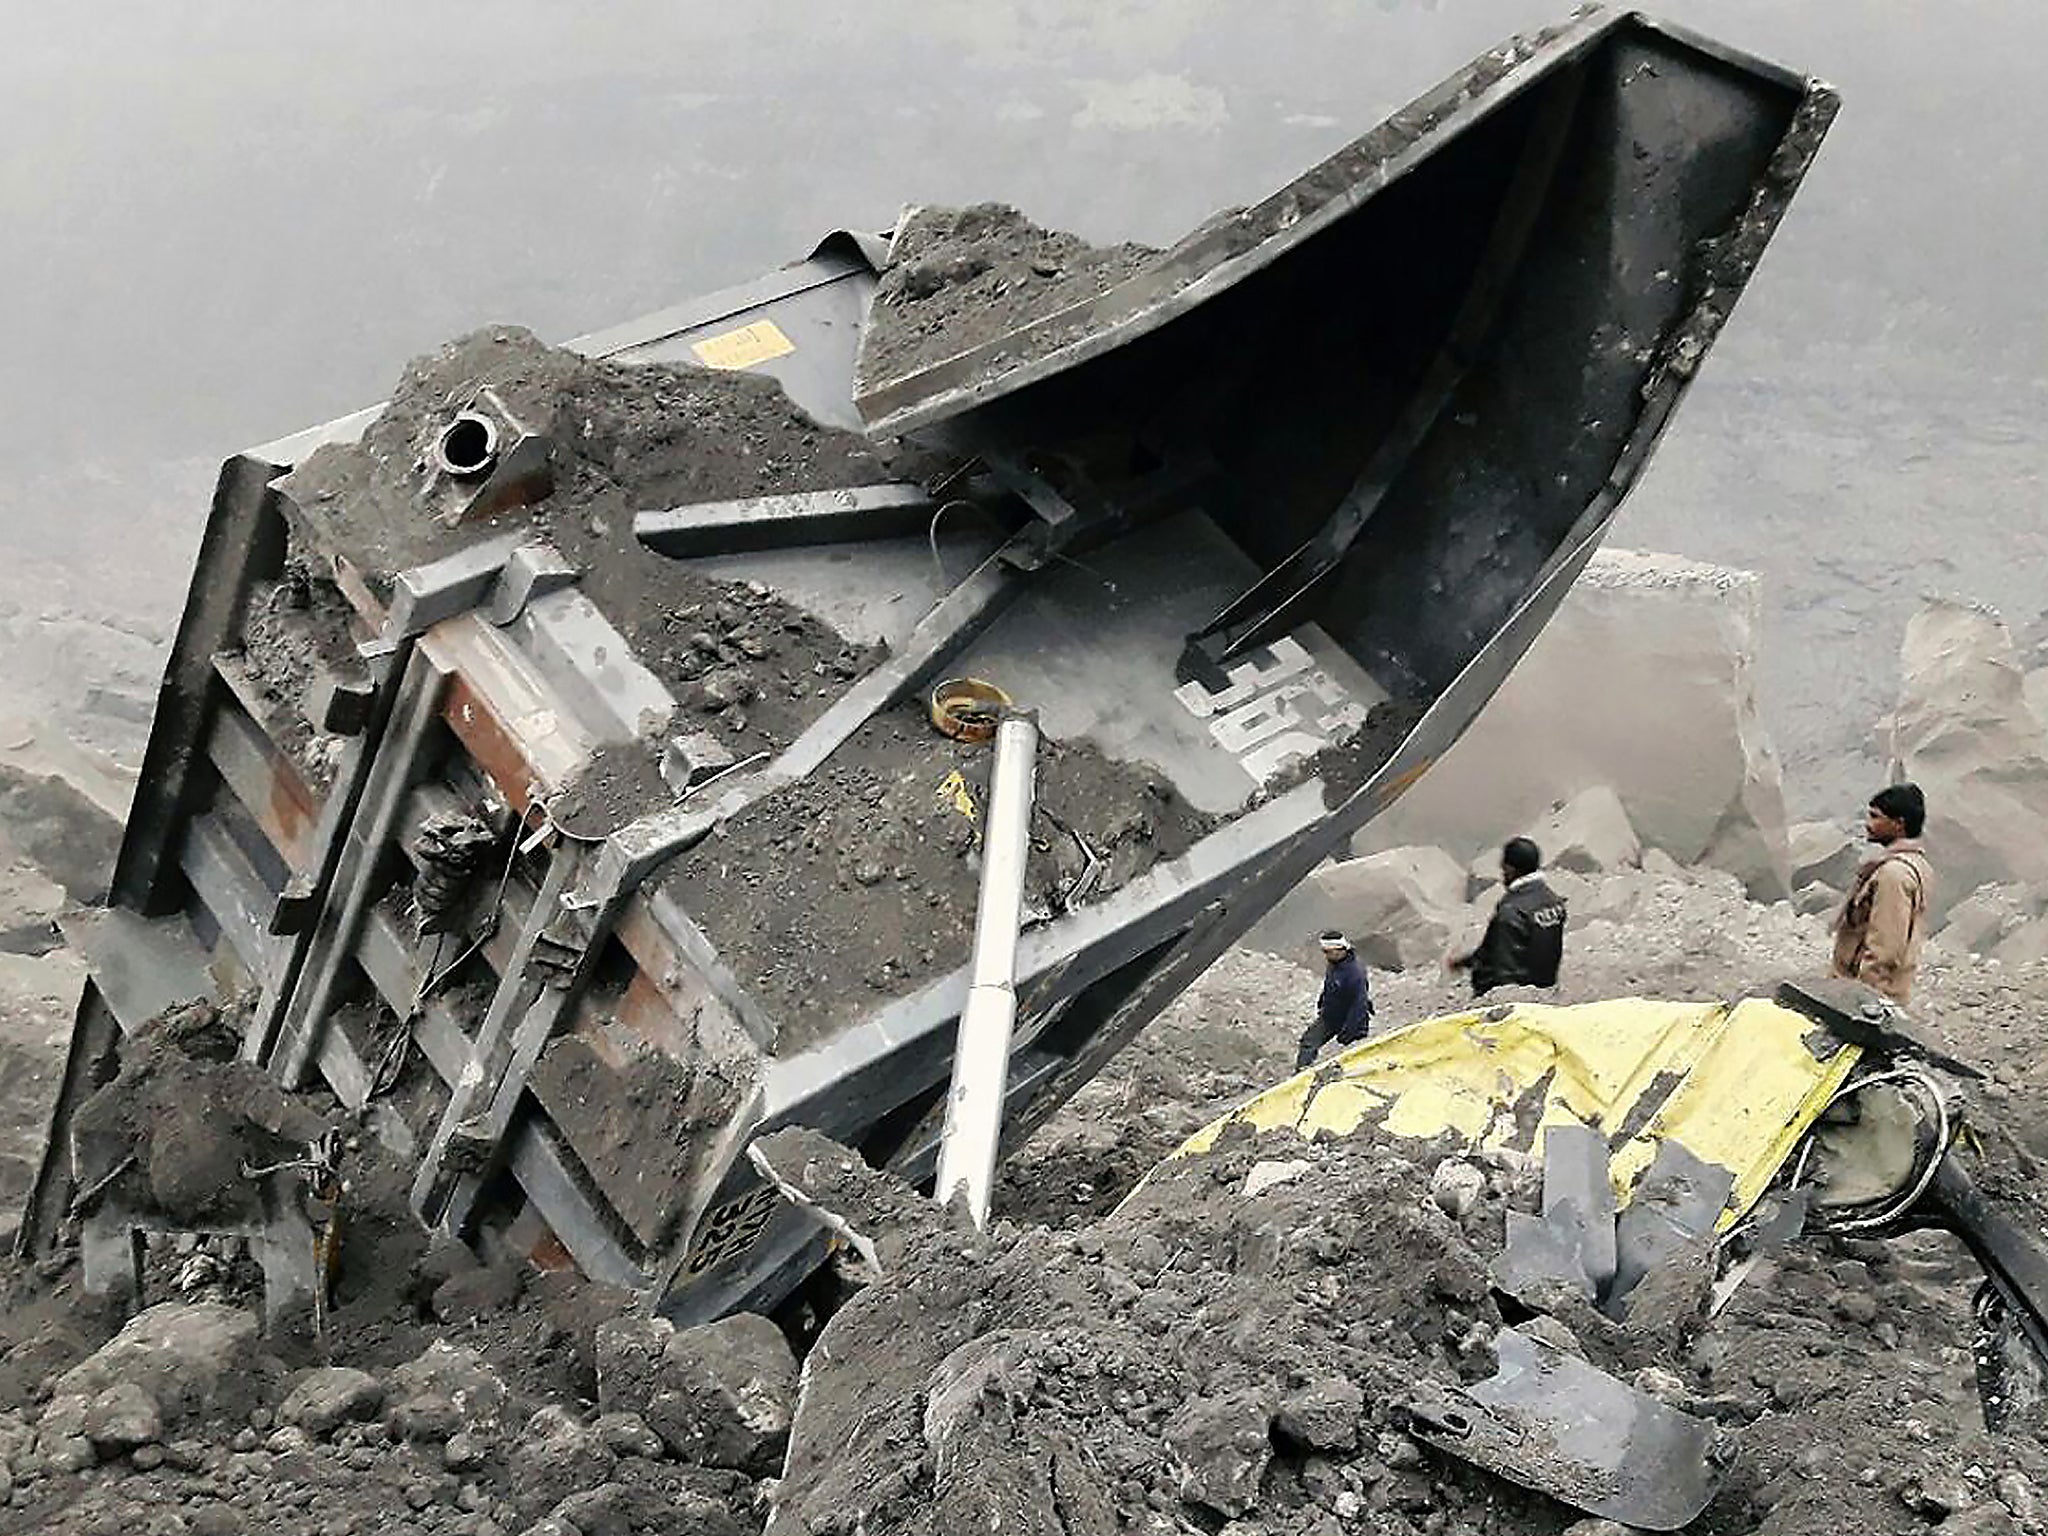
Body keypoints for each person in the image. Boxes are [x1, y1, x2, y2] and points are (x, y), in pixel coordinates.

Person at [1832, 782, 1934, 1004]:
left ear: (1899, 824)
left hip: (1868, 998)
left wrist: (1861, 1000)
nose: (1868, 825)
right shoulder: (1916, 864)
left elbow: (1885, 949)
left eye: (1876, 817)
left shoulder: (1893, 874)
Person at [1447, 836, 1567, 996]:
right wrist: (1465, 962)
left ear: (1510, 869)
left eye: (1503, 868)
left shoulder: (1511, 911)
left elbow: (1503, 969)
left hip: (1517, 1000)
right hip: (1546, 992)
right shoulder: (1553, 901)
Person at [1296, 931, 1373, 1069]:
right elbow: (1329, 984)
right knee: (1309, 1041)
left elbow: (1359, 1003)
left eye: (1329, 952)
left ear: (1340, 949)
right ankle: (1301, 1074)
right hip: (1330, 1016)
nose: (1326, 955)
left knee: (1353, 1056)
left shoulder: (1354, 972)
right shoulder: (1334, 964)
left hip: (1350, 1018)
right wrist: (1322, 1003)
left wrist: (1351, 1030)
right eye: (1324, 952)